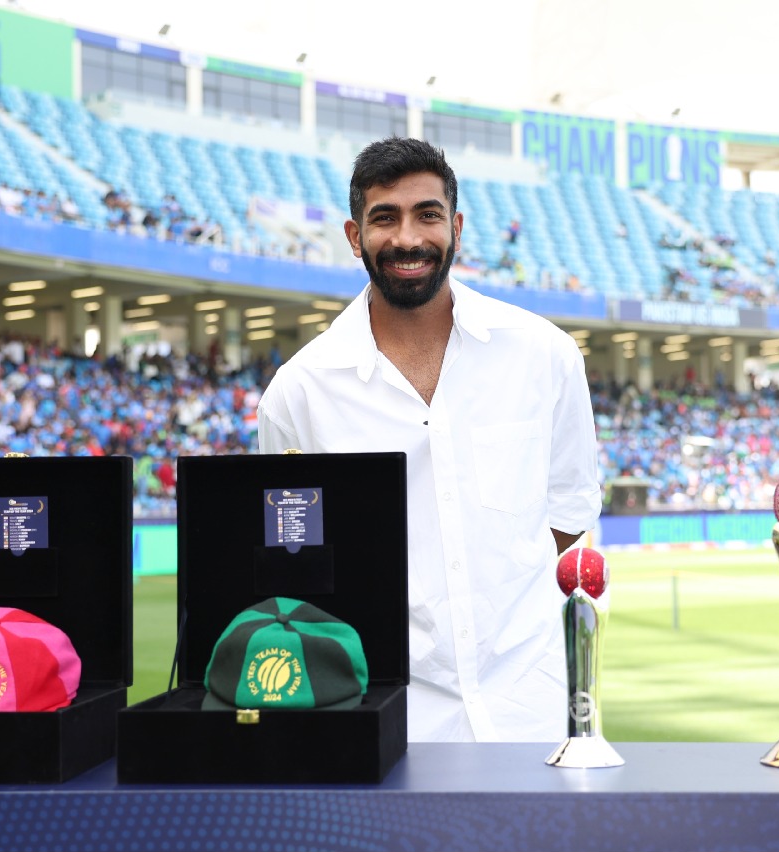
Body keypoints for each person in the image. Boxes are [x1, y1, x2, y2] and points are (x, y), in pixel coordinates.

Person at [256, 137, 602, 743]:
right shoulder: (299, 392)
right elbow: (297, 566)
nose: (408, 239)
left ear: (457, 227)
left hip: (534, 710)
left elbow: (569, 511)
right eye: (384, 218)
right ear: (354, 235)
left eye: (428, 215)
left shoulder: (544, 354)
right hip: (388, 720)